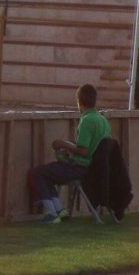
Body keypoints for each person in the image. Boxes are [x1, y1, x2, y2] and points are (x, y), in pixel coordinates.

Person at [28, 84, 112, 224]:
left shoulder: (86, 121)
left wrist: (63, 144)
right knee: (49, 173)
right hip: (96, 168)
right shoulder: (103, 120)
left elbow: (83, 151)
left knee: (38, 173)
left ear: (79, 102)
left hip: (81, 168)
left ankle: (51, 214)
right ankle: (60, 211)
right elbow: (93, 147)